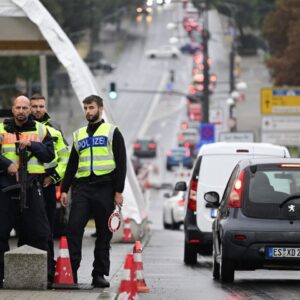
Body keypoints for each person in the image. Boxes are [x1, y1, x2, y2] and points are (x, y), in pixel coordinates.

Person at [60, 95, 126, 288]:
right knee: (73, 229)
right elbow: (72, 165)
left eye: (91, 107)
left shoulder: (112, 132)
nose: (88, 111)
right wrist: (64, 189)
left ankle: (99, 274)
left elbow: (121, 164)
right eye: (86, 108)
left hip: (105, 187)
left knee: (104, 234)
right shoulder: (79, 134)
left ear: (100, 109)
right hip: (82, 188)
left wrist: (118, 191)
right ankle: (70, 272)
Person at [0, 95, 55, 287]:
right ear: (12, 109)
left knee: (41, 233)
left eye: (25, 108)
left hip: (32, 186)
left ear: (29, 110)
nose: (22, 111)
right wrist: (7, 164)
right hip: (6, 187)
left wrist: (32, 144)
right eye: (18, 108)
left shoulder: (41, 130)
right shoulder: (1, 129)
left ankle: (45, 276)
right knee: (1, 233)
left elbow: (49, 155)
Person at [30, 94, 69, 281]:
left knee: (46, 231)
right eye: (34, 106)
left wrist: (54, 177)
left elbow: (65, 158)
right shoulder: (19, 128)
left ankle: (47, 270)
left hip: (46, 184)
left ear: (45, 107)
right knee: (26, 228)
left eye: (41, 106)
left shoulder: (53, 130)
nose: (37, 109)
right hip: (22, 184)